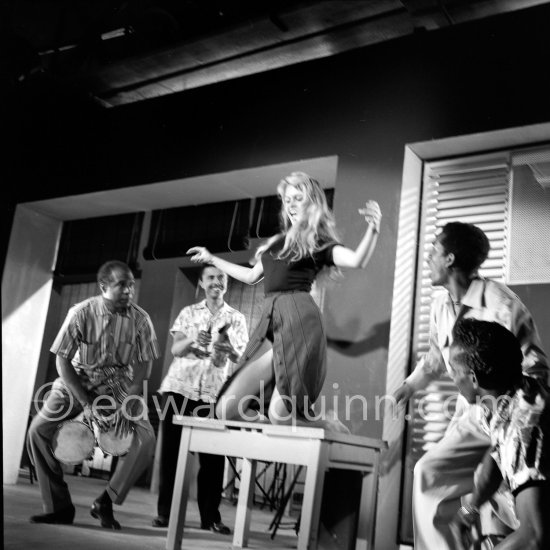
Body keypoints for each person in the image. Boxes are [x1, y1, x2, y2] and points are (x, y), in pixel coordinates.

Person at [393, 221, 548, 549]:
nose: (429, 259)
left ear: (449, 259)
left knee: (460, 481)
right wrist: (408, 386)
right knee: (443, 481)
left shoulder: (500, 303)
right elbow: (436, 359)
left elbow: (535, 366)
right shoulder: (439, 306)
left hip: (509, 410)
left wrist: (518, 416)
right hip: (472, 414)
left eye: (433, 252)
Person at [187, 171, 382, 431]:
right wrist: (212, 258)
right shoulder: (277, 243)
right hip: (271, 323)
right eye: (287, 199)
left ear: (312, 203)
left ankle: (328, 426)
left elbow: (357, 260)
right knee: (226, 410)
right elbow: (250, 276)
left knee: (280, 414)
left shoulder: (318, 242)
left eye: (297, 198)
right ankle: (274, 428)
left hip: (299, 322)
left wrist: (373, 228)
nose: (290, 205)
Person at [27, 260, 160, 529]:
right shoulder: (81, 312)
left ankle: (106, 502)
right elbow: (62, 362)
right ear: (104, 286)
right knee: (37, 432)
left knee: (146, 439)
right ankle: (59, 506)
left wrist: (126, 403)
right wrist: (86, 404)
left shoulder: (141, 320)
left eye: (131, 286)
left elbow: (144, 367)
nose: (129, 291)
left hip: (117, 386)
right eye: (122, 285)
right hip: (75, 382)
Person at [152, 264, 248, 533]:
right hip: (178, 390)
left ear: (226, 283)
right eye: (211, 278)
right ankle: (165, 514)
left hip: (212, 396)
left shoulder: (237, 318)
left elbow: (240, 358)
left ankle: (210, 517)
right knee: (171, 455)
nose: (216, 282)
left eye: (221, 278)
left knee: (213, 459)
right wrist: (194, 337)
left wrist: (228, 348)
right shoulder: (188, 313)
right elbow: (176, 349)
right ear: (202, 283)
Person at [448, 319, 549, 550]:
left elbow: (534, 537)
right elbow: (495, 459)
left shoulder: (523, 427)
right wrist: (467, 512)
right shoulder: (505, 397)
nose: (452, 378)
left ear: (474, 378)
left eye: (454, 371)